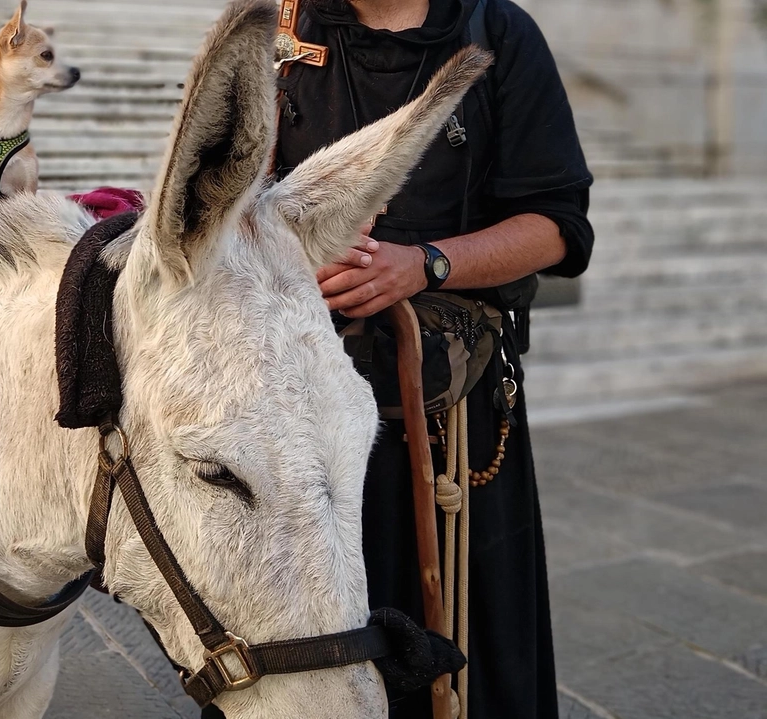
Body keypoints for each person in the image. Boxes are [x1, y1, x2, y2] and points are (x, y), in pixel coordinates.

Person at [206, 0, 592, 717]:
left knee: (466, 647)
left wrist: (425, 262)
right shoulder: (275, 29)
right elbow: (214, 202)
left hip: (451, 413)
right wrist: (288, 231)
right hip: (298, 413)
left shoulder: (500, 33)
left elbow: (559, 227)